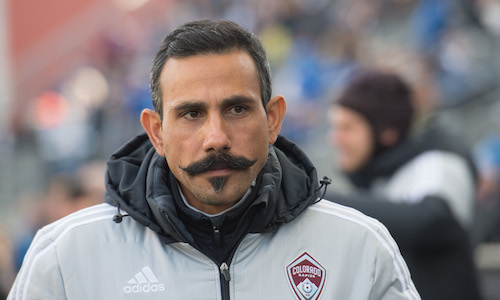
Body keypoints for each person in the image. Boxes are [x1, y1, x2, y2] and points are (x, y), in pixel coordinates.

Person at [9, 20, 419, 300]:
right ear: (156, 132)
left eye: (237, 109)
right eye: (191, 114)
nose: (216, 139)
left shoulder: (359, 246)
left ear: (272, 118)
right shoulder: (65, 256)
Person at [327, 69, 482, 300]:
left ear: (386, 133)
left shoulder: (440, 160)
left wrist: (318, 198)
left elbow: (430, 220)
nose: (335, 138)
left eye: (348, 128)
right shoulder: (381, 172)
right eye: (335, 127)